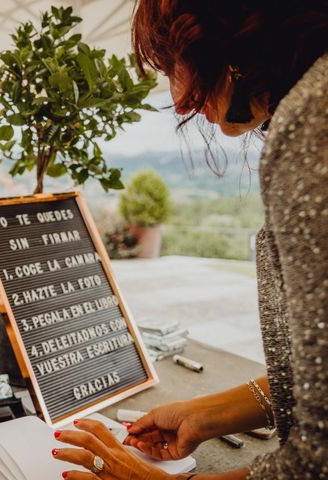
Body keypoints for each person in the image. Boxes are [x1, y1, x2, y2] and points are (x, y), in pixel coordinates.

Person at [52, 1, 328, 479]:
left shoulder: (313, 124)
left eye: (175, 62)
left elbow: (316, 463)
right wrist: (210, 414)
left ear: (234, 34)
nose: (180, 100)